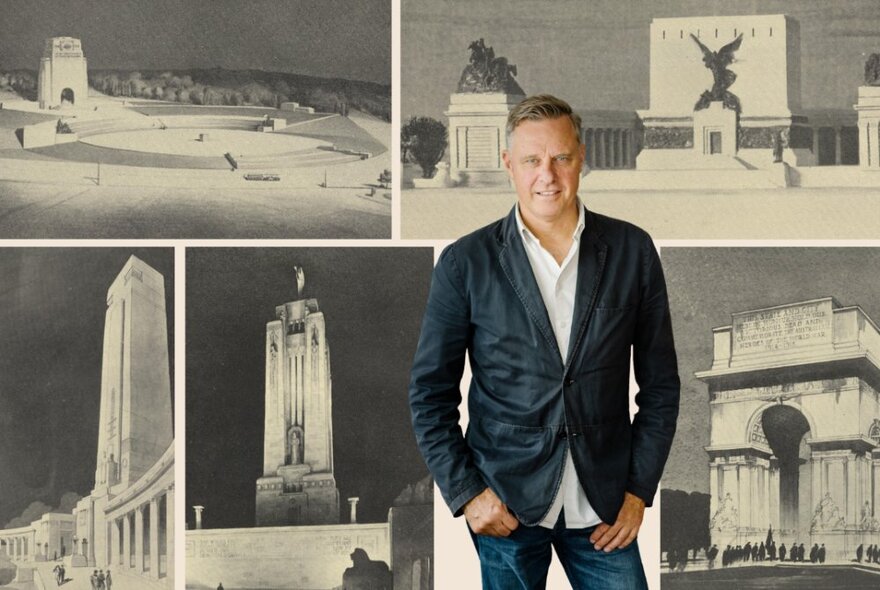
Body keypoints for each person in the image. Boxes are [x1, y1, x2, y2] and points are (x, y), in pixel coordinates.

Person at [409, 94, 680, 589]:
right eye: (532, 160)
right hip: (505, 504)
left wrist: (639, 491)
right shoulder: (464, 263)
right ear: (508, 164)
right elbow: (429, 394)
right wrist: (469, 493)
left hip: (605, 507)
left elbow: (661, 387)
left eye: (561, 158)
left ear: (583, 159)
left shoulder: (632, 250)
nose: (547, 176)